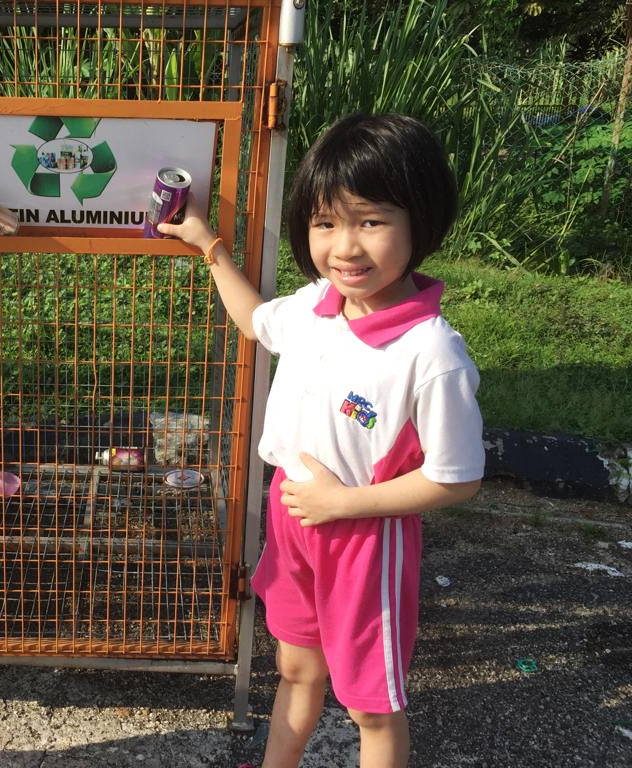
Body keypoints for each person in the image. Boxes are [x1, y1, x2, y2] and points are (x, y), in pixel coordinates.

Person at [158, 113, 484, 768]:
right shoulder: (314, 306)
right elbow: (255, 321)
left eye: (372, 222)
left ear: (421, 221)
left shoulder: (431, 353)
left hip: (366, 540)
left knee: (372, 706)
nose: (345, 247)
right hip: (294, 518)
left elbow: (456, 477)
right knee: (296, 669)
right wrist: (209, 246)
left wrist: (343, 504)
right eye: (326, 222)